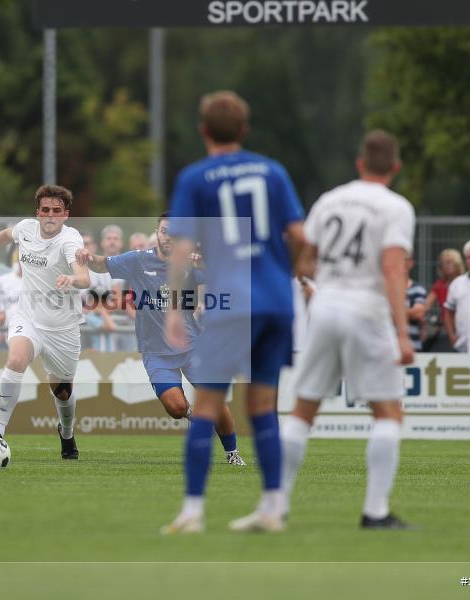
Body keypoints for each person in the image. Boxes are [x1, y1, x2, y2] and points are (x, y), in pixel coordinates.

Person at [161, 90, 306, 534]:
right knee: (264, 405)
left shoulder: (195, 177)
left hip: (232, 301)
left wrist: (172, 308)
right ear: (244, 130)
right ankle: (272, 508)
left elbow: (182, 248)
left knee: (206, 404)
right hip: (276, 301)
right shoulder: (273, 171)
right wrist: (290, 272)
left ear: (203, 130)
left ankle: (192, 512)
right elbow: (298, 234)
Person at [280, 130, 415, 530]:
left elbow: (305, 256)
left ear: (359, 163)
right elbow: (392, 267)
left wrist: (311, 279)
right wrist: (404, 333)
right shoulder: (396, 207)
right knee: (388, 411)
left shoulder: (330, 199)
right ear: (395, 167)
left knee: (304, 408)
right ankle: (375, 512)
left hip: (324, 304)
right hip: (366, 309)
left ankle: (277, 505)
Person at [77, 212, 245, 466]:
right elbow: (103, 264)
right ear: (157, 232)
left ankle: (232, 454)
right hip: (155, 351)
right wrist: (88, 258)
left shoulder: (190, 262)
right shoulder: (138, 260)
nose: (169, 236)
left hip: (193, 347)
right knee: (176, 408)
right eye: (165, 230)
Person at [0, 185, 91, 459]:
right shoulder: (25, 228)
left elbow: (85, 278)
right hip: (29, 317)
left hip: (63, 327)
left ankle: (67, 433)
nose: (50, 216)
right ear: (38, 213)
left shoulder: (70, 241)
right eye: (45, 210)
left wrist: (72, 279)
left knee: (61, 391)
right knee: (15, 361)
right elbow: (2, 236)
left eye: (56, 211)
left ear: (66, 215)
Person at [405, 255, 427, 351]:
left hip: (413, 347)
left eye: (404, 259)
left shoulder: (418, 289)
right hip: (387, 350)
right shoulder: (382, 288)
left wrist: (394, 311)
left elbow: (418, 314)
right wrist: (410, 312)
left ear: (411, 263)